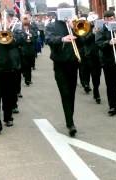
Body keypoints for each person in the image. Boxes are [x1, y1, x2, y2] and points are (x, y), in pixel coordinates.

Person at [45, 3, 82, 137]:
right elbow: (48, 39)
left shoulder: (75, 24)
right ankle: (70, 122)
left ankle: (69, 119)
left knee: (71, 93)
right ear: (58, 12)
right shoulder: (51, 25)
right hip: (59, 64)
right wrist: (62, 39)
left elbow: (83, 41)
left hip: (73, 63)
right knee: (65, 93)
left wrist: (75, 29)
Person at [95, 10, 116, 116]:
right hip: (107, 60)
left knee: (115, 84)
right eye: (110, 19)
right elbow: (98, 43)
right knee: (110, 84)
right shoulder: (101, 31)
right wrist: (109, 42)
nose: (112, 20)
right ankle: (112, 106)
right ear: (105, 20)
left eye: (113, 18)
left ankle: (115, 104)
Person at [20, 14, 38, 86]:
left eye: (26, 19)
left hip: (30, 49)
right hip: (22, 49)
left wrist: (32, 36)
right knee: (25, 65)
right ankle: (26, 77)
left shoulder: (32, 27)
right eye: (24, 19)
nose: (25, 20)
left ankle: (28, 79)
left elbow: (36, 36)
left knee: (29, 65)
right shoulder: (19, 28)